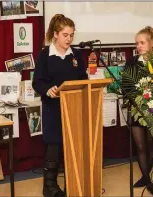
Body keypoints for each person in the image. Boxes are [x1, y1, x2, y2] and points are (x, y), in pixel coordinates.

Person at [32, 14, 87, 197]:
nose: (69, 39)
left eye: (71, 35)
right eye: (65, 35)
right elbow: (37, 82)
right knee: (54, 145)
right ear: (55, 34)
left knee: (73, 146)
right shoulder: (45, 55)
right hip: (52, 107)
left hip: (74, 107)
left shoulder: (77, 55)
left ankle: (74, 181)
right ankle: (49, 186)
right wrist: (48, 90)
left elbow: (83, 79)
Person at [122, 26, 153, 197]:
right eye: (137, 43)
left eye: (142, 42)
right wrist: (137, 98)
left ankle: (146, 178)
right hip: (137, 110)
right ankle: (148, 180)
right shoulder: (131, 62)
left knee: (151, 145)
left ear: (152, 43)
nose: (138, 46)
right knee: (140, 146)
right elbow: (126, 86)